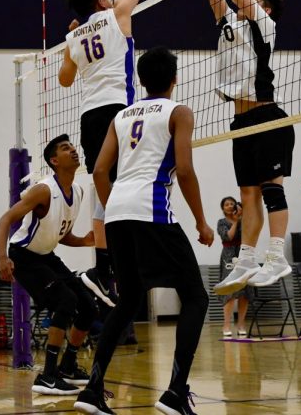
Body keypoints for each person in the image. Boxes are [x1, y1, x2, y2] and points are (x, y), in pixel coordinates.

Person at [74, 46, 215, 415]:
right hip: (150, 210)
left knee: (129, 300)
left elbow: (100, 171)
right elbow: (184, 170)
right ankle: (174, 391)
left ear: (140, 79)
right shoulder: (179, 112)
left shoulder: (121, 116)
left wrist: (117, 205)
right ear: (174, 79)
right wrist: (201, 221)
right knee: (196, 297)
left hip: (118, 212)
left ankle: (92, 388)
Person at [177, 0, 294, 295]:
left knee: (271, 191)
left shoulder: (264, 25)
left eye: (257, 0)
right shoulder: (231, 24)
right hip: (240, 122)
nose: (248, 1)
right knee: (247, 197)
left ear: (266, 8)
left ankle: (276, 256)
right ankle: (246, 258)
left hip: (268, 116)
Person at [58, 0, 155, 307]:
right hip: (120, 112)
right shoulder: (117, 15)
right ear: (101, 0)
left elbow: (66, 80)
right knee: (131, 180)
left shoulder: (75, 36)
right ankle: (125, 256)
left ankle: (103, 267)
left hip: (89, 116)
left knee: (104, 183)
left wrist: (72, 42)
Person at [0, 134, 97, 395]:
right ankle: (48, 376)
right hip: (24, 257)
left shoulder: (78, 191)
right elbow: (4, 220)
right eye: (66, 149)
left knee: (88, 306)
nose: (74, 150)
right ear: (54, 160)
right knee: (65, 301)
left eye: (73, 147)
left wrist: (85, 241)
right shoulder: (43, 189)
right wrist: (1, 258)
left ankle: (67, 366)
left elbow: (60, 236)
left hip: (47, 256)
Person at [217, 196, 250, 337]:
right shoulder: (222, 222)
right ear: (223, 208)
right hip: (229, 256)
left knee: (244, 292)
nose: (230, 206)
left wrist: (243, 217)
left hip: (243, 255)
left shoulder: (245, 221)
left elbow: (249, 236)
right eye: (227, 204)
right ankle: (226, 325)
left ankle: (241, 324)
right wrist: (236, 222)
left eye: (232, 204)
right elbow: (228, 237)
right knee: (230, 290)